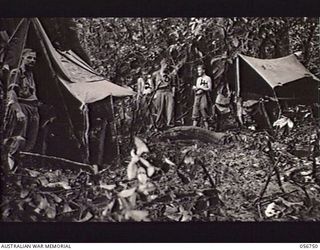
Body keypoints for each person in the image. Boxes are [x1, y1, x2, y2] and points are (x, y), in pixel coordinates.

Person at [3, 48, 40, 171]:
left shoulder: (30, 75)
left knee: (30, 142)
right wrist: (18, 111)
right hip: (22, 107)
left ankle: (19, 169)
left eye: (34, 58)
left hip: (33, 109)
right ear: (22, 58)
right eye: (29, 57)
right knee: (18, 139)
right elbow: (11, 93)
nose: (32, 60)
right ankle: (9, 170)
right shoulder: (16, 73)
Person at [152, 59, 175, 129]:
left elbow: (173, 85)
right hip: (159, 92)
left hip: (168, 91)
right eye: (165, 65)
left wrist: (173, 93)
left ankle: (170, 125)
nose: (166, 67)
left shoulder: (170, 74)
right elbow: (151, 83)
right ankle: (158, 125)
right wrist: (154, 92)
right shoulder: (156, 74)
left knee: (170, 108)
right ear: (162, 64)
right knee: (160, 109)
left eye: (167, 65)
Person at [191, 64, 212, 129]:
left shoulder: (208, 78)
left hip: (204, 95)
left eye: (199, 70)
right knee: (195, 110)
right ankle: (193, 129)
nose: (198, 71)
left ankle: (207, 128)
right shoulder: (198, 79)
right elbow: (197, 88)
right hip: (197, 96)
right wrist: (195, 88)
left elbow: (210, 89)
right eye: (198, 70)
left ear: (203, 70)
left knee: (203, 109)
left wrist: (202, 88)